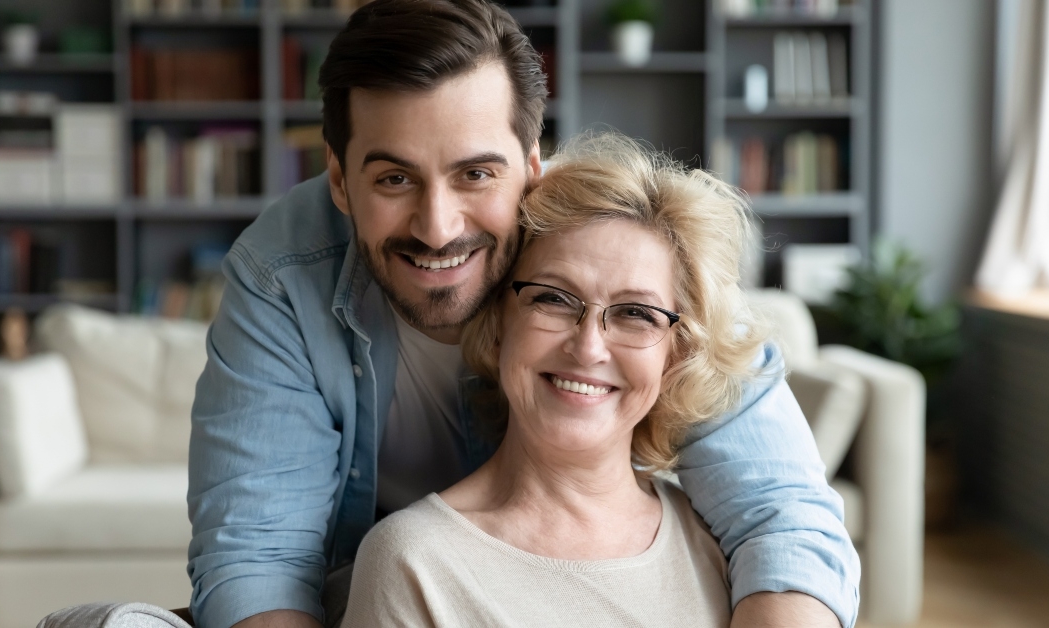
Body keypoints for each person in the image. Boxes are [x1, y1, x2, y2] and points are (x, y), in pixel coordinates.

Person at [187, 1, 859, 627]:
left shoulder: (622, 244)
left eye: (476, 174)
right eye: (394, 178)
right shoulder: (280, 273)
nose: (438, 226)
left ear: (532, 164)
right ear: (339, 178)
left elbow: (783, 516)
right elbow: (258, 557)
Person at [341, 132, 762, 627]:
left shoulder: (725, 549)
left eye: (636, 314)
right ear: (498, 324)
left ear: (676, 356)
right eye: (553, 299)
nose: (588, 348)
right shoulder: (415, 564)